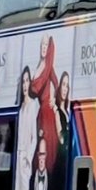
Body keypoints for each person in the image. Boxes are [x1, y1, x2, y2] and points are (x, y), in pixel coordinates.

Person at [29, 34, 61, 169]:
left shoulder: (48, 67)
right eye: (42, 44)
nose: (44, 47)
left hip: (48, 115)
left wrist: (55, 100)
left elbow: (56, 83)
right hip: (41, 114)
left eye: (46, 45)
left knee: (48, 148)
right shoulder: (38, 67)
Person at [14, 67, 39, 190]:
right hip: (17, 155)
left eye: (27, 81)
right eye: (23, 81)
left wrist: (28, 159)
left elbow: (34, 137)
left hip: (25, 158)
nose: (25, 84)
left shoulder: (33, 105)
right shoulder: (19, 107)